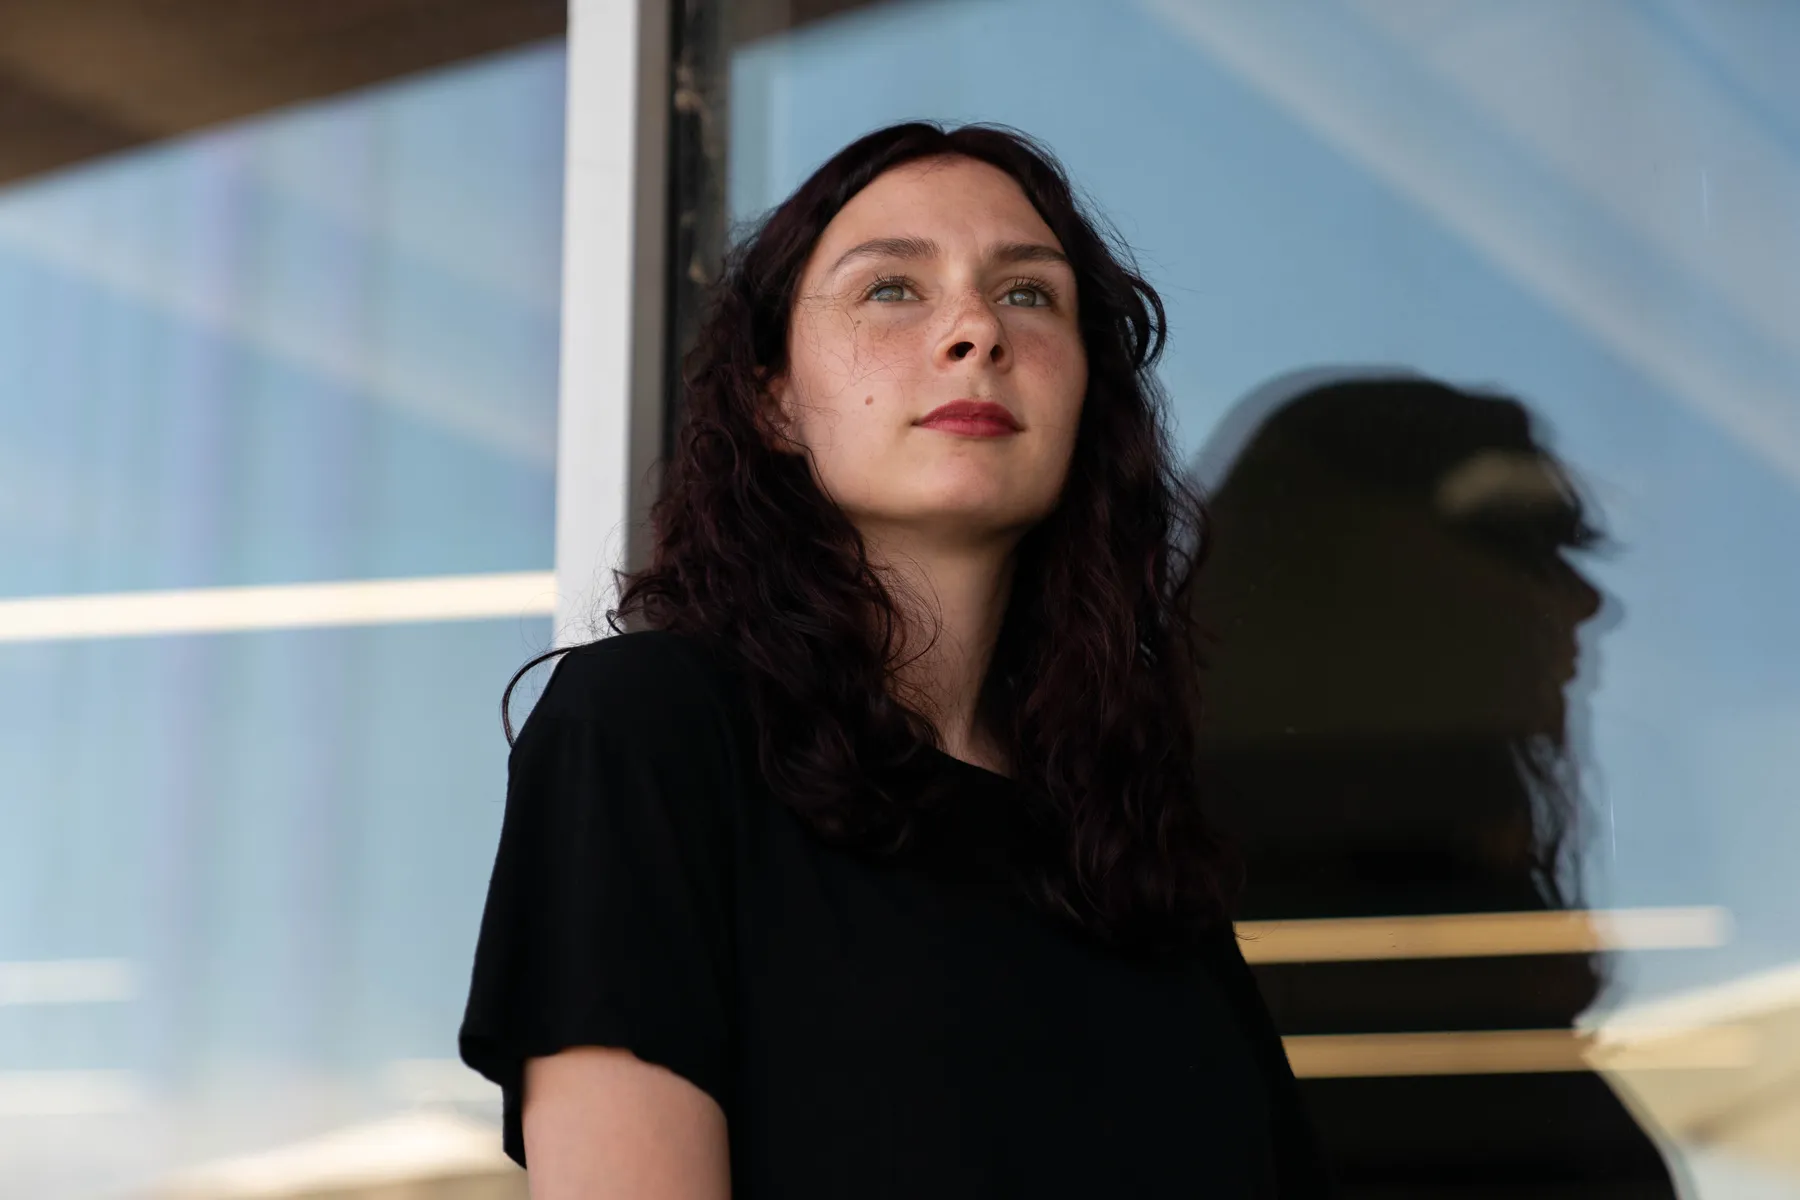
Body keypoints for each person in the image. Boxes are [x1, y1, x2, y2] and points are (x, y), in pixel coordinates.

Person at [457, 122, 1328, 1198]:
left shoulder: (1129, 839)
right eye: (890, 291)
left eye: (1028, 295)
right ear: (774, 398)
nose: (974, 330)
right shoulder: (649, 730)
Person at [1190, 370, 1678, 1197]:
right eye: (1525, 543)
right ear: (1368, 582)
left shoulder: (1425, 937)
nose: (1589, 603)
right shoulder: (1255, 954)